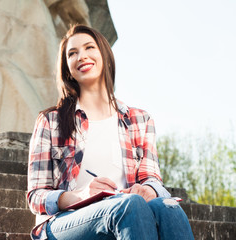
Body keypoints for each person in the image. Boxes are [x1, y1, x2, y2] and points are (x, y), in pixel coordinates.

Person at [27, 24, 194, 240]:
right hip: (65, 223)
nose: (81, 56)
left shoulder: (141, 120)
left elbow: (152, 179)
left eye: (89, 48)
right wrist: (80, 195)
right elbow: (36, 196)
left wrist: (148, 190)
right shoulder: (50, 121)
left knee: (168, 206)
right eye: (72, 53)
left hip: (127, 214)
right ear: (67, 68)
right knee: (128, 206)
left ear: (105, 55)